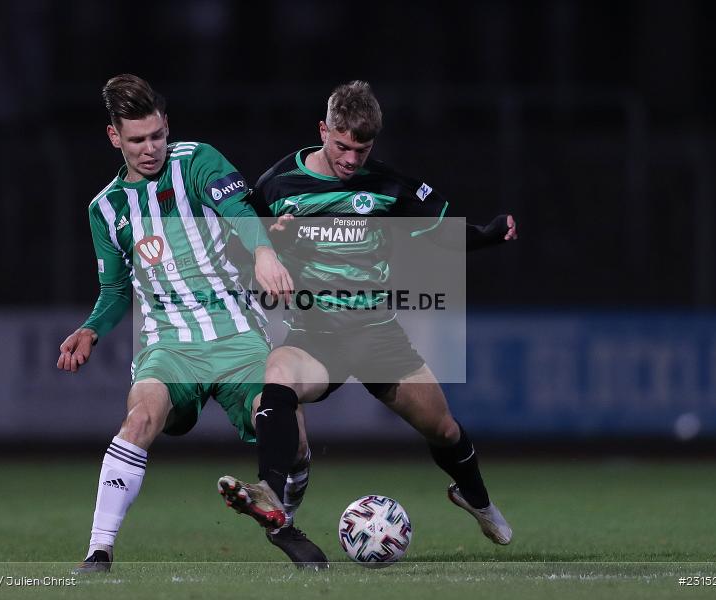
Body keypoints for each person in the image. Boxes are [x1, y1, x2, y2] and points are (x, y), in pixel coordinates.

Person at [218, 80, 517, 547]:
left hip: (378, 337)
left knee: (443, 428)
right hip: (316, 334)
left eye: (362, 149)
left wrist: (490, 233)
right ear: (323, 130)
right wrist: (270, 242)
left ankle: (477, 499)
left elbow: (442, 232)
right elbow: (242, 250)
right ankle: (270, 491)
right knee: (276, 373)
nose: (351, 159)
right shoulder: (277, 186)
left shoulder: (387, 186)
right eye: (342, 146)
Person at [58, 74, 327, 572]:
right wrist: (92, 328)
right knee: (138, 421)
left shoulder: (198, 161)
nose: (150, 148)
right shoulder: (107, 208)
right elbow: (116, 290)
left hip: (237, 335)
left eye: (157, 135)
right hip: (169, 345)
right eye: (137, 139)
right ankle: (98, 551)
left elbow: (239, 210)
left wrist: (265, 251)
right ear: (114, 137)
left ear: (167, 127)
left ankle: (283, 518)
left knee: (291, 432)